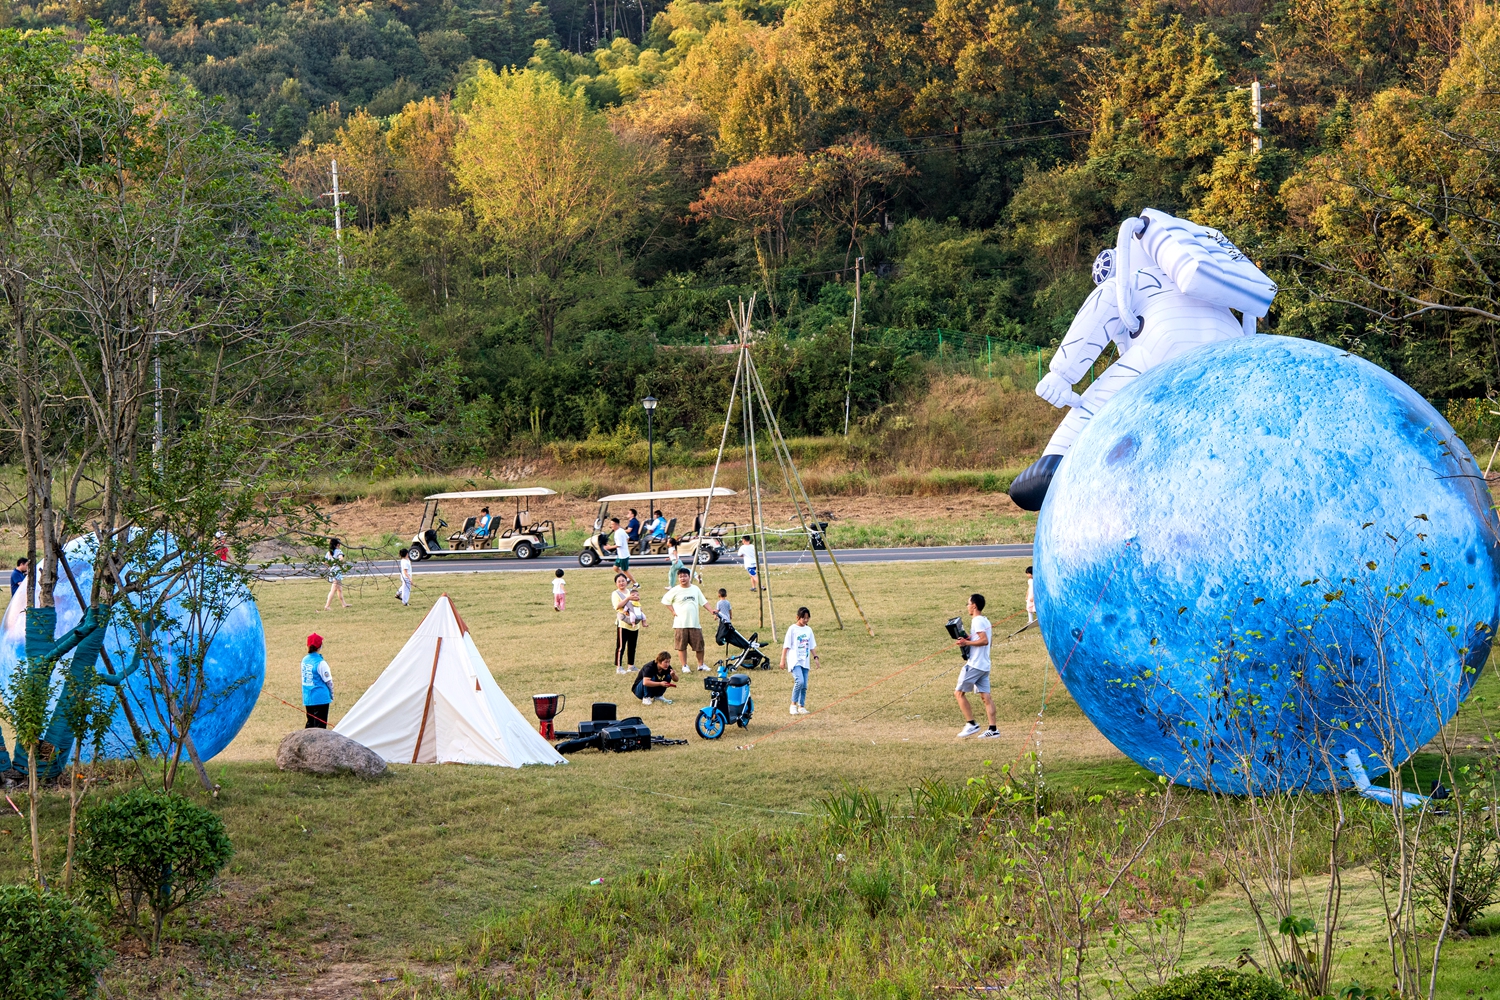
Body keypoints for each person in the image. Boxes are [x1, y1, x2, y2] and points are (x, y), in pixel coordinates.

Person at [954, 593, 999, 738]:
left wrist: (966, 643)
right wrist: (968, 638)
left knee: (959, 693)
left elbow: (984, 641)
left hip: (975, 665)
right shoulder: (985, 621)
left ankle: (971, 724)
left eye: (968, 604)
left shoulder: (977, 621)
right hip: (984, 665)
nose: (967, 607)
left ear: (974, 606)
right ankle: (993, 730)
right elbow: (988, 642)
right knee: (986, 697)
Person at [661, 566, 709, 673]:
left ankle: (701, 665)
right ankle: (684, 666)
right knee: (681, 646)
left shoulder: (695, 589)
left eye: (685, 576)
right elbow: (665, 601)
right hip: (680, 623)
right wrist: (673, 611)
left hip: (694, 623)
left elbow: (704, 602)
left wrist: (712, 611)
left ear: (689, 577)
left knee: (699, 646)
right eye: (680, 576)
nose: (683, 578)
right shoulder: (675, 590)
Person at [780, 606, 818, 715]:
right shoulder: (792, 629)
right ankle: (793, 704)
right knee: (799, 681)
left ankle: (801, 706)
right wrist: (782, 660)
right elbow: (786, 646)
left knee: (804, 685)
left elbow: (811, 646)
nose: (805, 620)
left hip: (804, 661)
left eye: (807, 618)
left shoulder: (808, 630)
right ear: (798, 617)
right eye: (803, 618)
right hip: (795, 660)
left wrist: (815, 657)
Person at [612, 574, 644, 674]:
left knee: (632, 645)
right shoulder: (615, 594)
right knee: (621, 646)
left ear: (626, 582)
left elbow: (637, 604)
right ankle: (619, 667)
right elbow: (617, 606)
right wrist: (627, 598)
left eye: (623, 581)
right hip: (623, 623)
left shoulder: (631, 592)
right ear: (616, 583)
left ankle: (631, 665)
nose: (621, 583)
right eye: (619, 581)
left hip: (634, 623)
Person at [301, 633, 334, 728]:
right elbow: (328, 681)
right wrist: (331, 694)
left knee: (310, 724)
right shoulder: (321, 662)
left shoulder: (304, 660)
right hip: (321, 698)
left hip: (308, 697)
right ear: (320, 646)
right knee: (320, 726)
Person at [606, 517, 636, 586]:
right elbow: (627, 538)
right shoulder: (621, 530)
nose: (611, 526)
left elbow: (619, 545)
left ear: (616, 525)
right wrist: (624, 544)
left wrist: (609, 547)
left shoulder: (618, 533)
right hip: (620, 554)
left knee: (625, 570)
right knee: (615, 568)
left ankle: (636, 583)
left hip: (623, 555)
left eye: (612, 524)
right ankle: (627, 579)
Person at [322, 538, 350, 611]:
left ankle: (344, 604)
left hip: (332, 571)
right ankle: (327, 606)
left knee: (339, 589)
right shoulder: (339, 551)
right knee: (333, 589)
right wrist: (338, 563)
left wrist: (331, 565)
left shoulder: (329, 552)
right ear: (338, 544)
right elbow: (341, 558)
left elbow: (324, 561)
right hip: (337, 572)